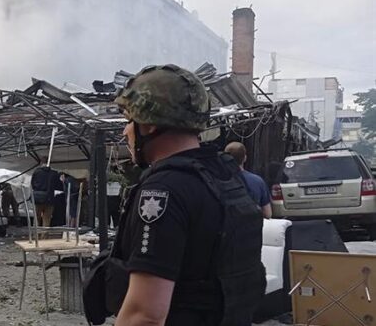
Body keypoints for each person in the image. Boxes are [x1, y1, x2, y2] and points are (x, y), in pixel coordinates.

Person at [91, 64, 265, 326]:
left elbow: (145, 315)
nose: (125, 131)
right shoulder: (225, 179)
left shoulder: (162, 192)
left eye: (129, 121)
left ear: (148, 126)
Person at [224, 142, 272, 218]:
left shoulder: (218, 180)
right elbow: (267, 214)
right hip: (251, 226)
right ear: (245, 158)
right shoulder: (258, 181)